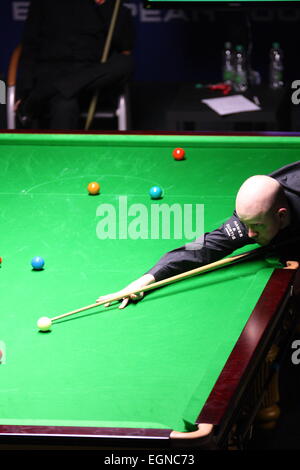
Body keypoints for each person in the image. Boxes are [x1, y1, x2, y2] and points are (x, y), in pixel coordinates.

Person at [97, 161, 300, 308]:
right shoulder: (252, 218)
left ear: (281, 216)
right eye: (244, 223)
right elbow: (201, 249)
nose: (250, 234)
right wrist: (145, 281)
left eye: (257, 226)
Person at [15, 0, 134, 129]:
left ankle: (48, 91)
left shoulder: (110, 4)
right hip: (53, 73)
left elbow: (125, 44)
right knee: (64, 103)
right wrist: (24, 91)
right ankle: (52, 92)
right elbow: (30, 46)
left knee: (125, 62)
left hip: (91, 82)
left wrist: (104, 5)